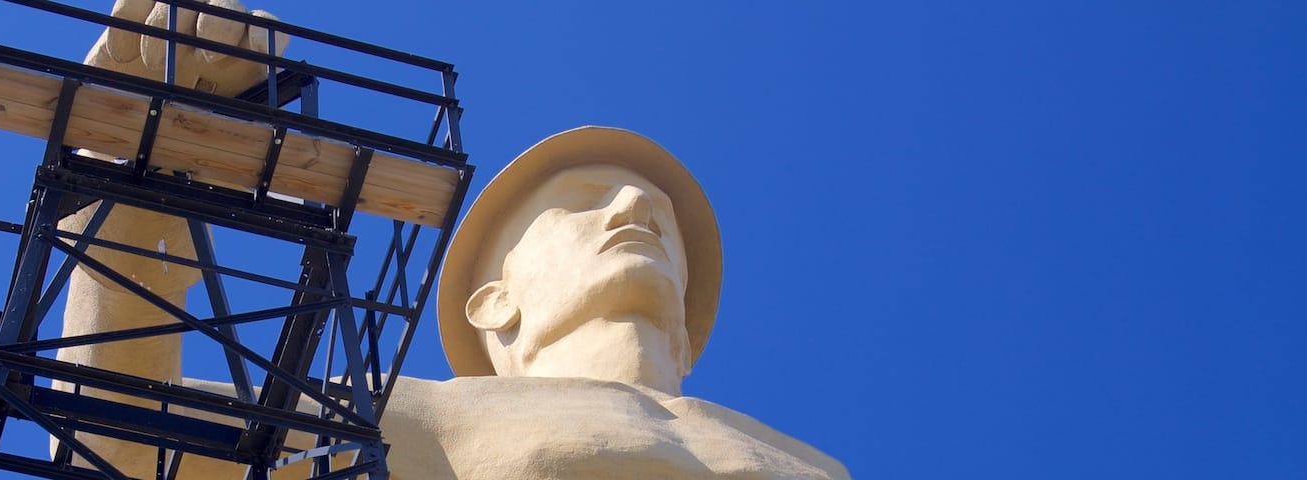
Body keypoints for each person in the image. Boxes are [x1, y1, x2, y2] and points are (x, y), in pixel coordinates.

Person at [51, 3, 850, 479]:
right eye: (582, 201)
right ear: (493, 300)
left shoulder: (813, 460)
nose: (637, 205)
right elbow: (126, 449)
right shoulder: (420, 414)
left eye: (662, 220)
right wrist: (120, 211)